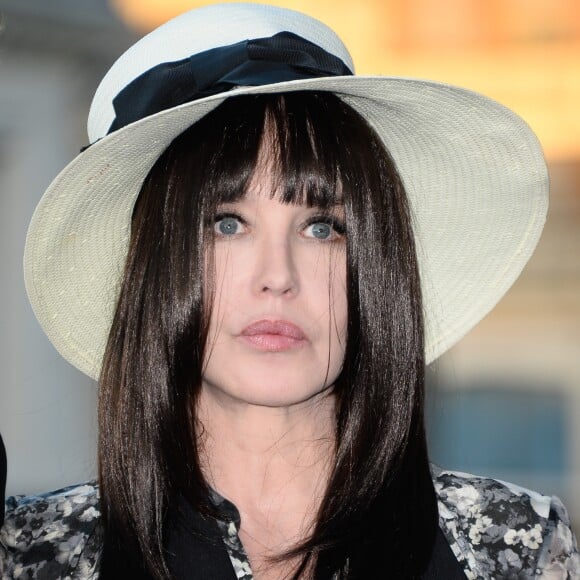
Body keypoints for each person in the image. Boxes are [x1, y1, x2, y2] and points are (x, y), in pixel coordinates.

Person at [1, 4, 578, 579]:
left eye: (321, 227)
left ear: (371, 267)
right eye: (227, 223)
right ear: (151, 265)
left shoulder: (512, 545)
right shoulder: (37, 555)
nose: (278, 275)